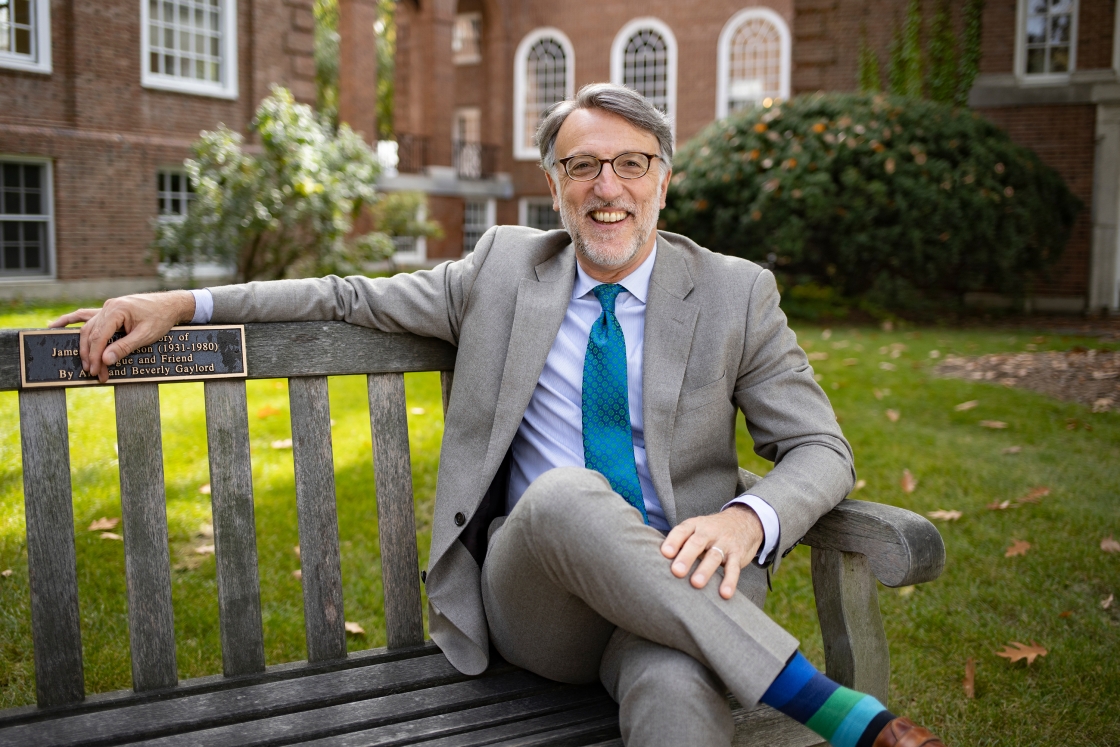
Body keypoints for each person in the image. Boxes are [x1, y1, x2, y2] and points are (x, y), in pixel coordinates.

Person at [54, 83, 945, 747]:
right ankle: (838, 712)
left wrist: (749, 520)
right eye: (582, 165)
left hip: (690, 589)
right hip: (542, 602)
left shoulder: (734, 293)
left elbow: (821, 450)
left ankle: (774, 691)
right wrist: (187, 303)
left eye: (631, 163)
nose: (607, 187)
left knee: (675, 694)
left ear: (663, 183)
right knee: (561, 495)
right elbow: (343, 294)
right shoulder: (503, 269)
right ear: (554, 185)